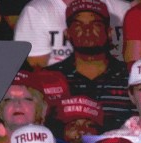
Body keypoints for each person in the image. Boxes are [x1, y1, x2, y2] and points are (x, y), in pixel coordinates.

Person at [45, 0, 131, 130]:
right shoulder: (48, 78)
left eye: (95, 24)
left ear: (109, 32)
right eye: (78, 25)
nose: (87, 30)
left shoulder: (130, 76)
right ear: (67, 34)